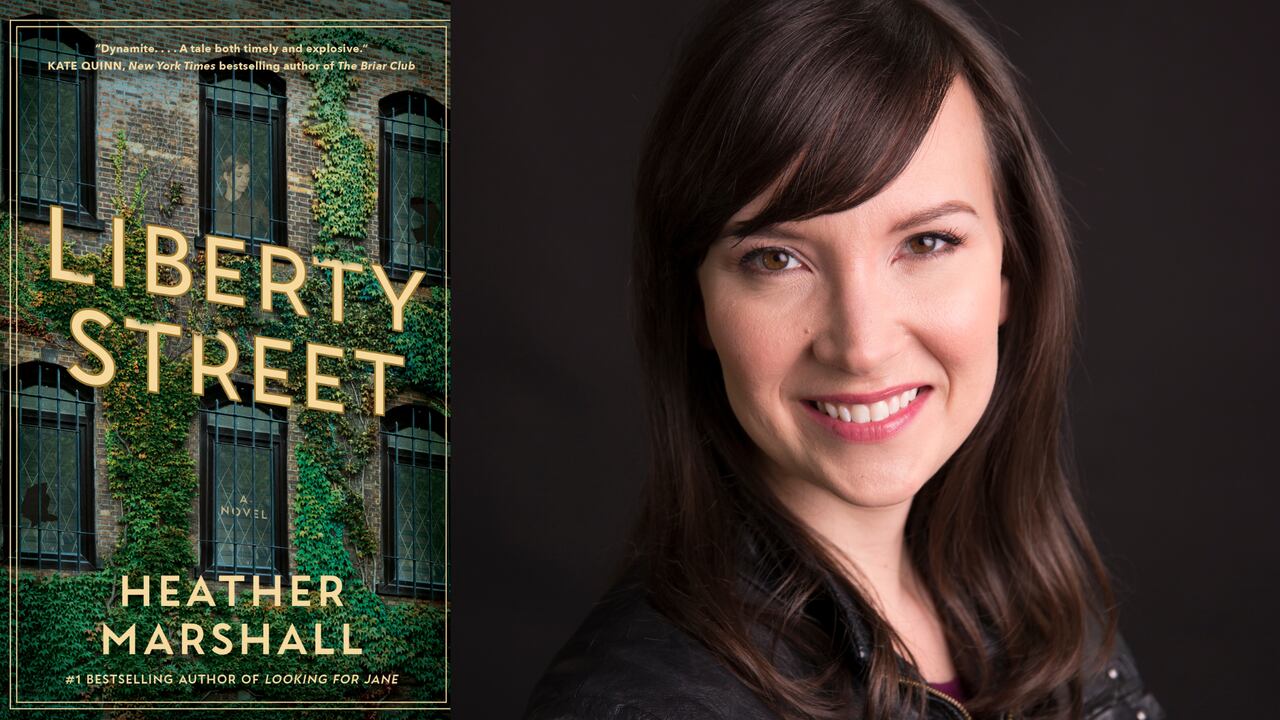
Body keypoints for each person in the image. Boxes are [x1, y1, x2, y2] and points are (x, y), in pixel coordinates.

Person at [525, 0, 1165, 718]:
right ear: (696, 305)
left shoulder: (1049, 620)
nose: (861, 346)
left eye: (926, 244)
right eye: (777, 258)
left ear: (1010, 273)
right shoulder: (646, 703)